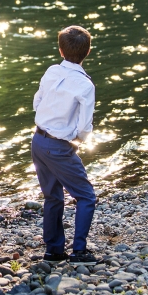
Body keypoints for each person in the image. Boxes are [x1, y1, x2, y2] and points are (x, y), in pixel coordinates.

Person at [31, 25, 98, 265]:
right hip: (59, 146)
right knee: (86, 196)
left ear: (60, 50)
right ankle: (79, 250)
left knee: (52, 197)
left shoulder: (51, 71)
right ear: (87, 51)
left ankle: (54, 250)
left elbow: (37, 102)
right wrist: (77, 141)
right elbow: (84, 127)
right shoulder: (85, 85)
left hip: (37, 141)